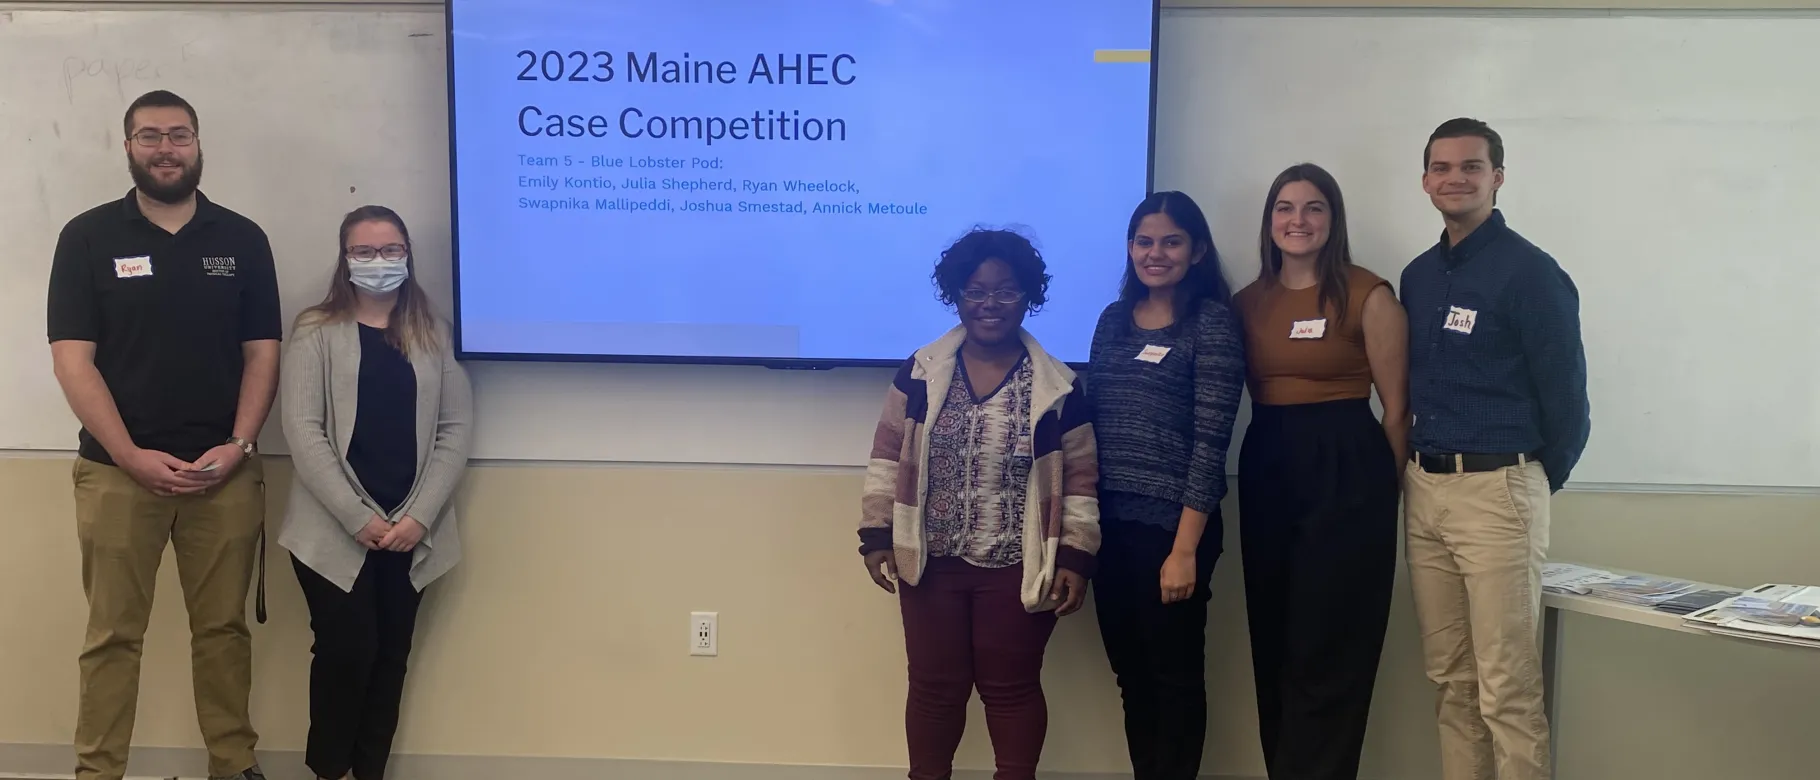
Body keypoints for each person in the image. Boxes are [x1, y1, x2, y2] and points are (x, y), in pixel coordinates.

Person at [45, 89, 280, 780]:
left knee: (224, 634)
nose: (165, 148)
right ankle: (99, 772)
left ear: (199, 144)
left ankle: (233, 767)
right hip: (117, 477)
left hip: (224, 477)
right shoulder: (87, 237)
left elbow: (262, 352)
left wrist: (238, 446)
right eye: (150, 136)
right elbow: (72, 359)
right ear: (128, 148)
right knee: (113, 638)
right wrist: (129, 455)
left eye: (178, 135)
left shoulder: (242, 239)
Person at [857, 227, 1100, 780]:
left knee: (1010, 690)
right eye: (975, 291)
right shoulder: (920, 371)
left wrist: (1075, 559)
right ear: (956, 296)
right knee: (935, 691)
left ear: (1028, 296)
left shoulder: (1058, 386)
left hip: (1017, 565)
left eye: (1006, 291)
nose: (990, 304)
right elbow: (887, 456)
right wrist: (875, 535)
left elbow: (1082, 480)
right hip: (931, 561)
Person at [1400, 118, 1590, 780]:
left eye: (1471, 167)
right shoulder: (1418, 277)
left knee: (1506, 690)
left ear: (1497, 178)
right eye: (1442, 167)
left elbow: (1568, 406)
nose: (1455, 178)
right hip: (1424, 490)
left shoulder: (1532, 275)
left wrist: (1527, 482)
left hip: (1498, 490)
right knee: (1452, 682)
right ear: (1425, 180)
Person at [278, 205, 474, 780]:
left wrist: (418, 516)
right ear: (345, 259)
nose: (379, 262)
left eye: (390, 250)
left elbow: (454, 430)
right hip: (331, 532)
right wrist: (356, 517)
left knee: (391, 657)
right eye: (364, 251)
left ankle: (370, 772)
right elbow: (302, 429)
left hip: (411, 532)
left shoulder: (435, 334)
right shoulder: (316, 331)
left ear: (407, 255)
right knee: (346, 653)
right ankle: (329, 771)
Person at [1232, 164, 1407, 780]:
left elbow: (1398, 411)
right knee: (1276, 634)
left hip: (1348, 468)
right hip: (1269, 465)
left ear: (1333, 220)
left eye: (1313, 208)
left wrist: (1384, 494)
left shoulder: (1368, 293)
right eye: (1285, 207)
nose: (1298, 221)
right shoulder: (1247, 302)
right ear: (1270, 220)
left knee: (1330, 640)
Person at [1085, 191, 1245, 780]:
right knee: (1131, 675)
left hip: (1175, 531)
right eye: (1144, 241)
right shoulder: (1110, 320)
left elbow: (1211, 442)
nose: (1156, 253)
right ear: (1130, 249)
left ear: (1197, 250)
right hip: (1110, 529)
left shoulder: (1213, 323)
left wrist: (1183, 552)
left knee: (1173, 678)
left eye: (1171, 241)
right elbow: (1094, 420)